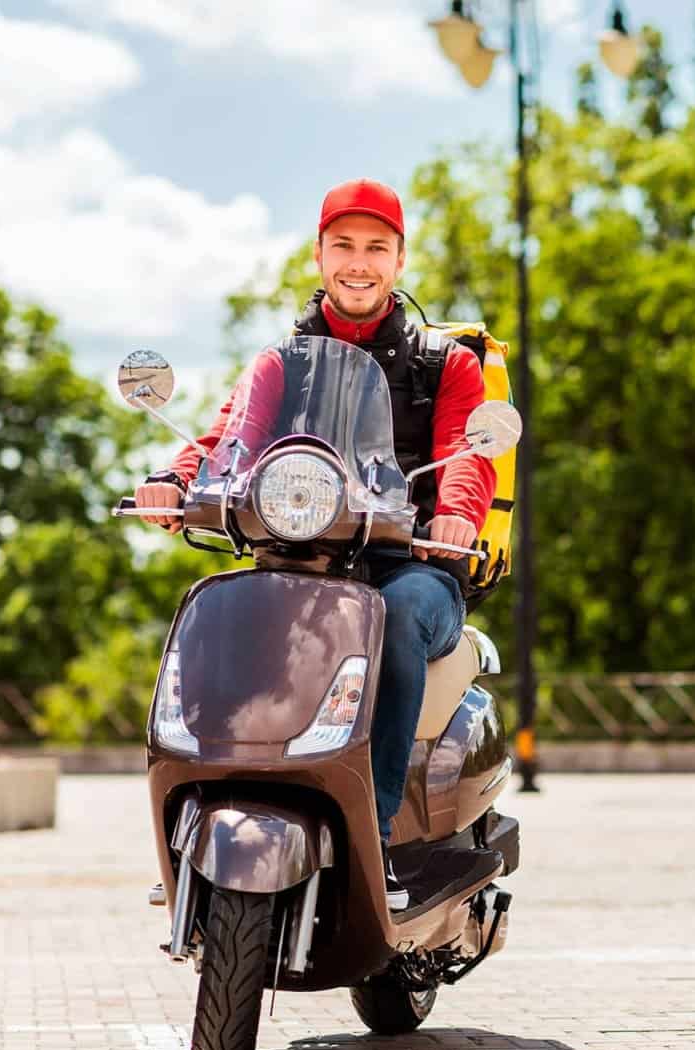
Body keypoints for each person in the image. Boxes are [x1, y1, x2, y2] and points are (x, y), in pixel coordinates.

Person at [135, 179, 496, 909]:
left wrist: (455, 515)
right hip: (303, 564)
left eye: (376, 248)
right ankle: (208, 815)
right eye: (344, 246)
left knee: (392, 623)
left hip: (412, 568)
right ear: (319, 254)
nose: (358, 263)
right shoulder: (282, 362)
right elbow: (228, 436)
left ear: (398, 259)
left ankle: (382, 834)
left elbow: (467, 452)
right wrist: (174, 481)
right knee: (223, 615)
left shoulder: (444, 363)